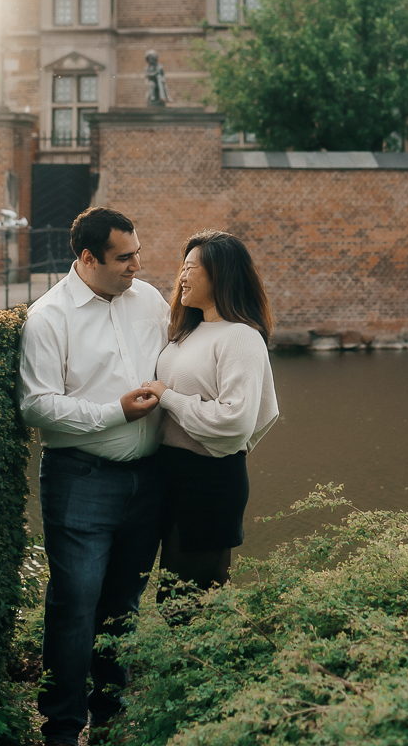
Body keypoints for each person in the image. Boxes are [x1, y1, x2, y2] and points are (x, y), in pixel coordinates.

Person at [18, 207, 168, 746]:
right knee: (75, 603)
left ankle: (112, 716)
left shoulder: (149, 299)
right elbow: (36, 405)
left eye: (137, 252)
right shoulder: (49, 316)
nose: (137, 265)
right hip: (80, 479)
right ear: (88, 258)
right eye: (124, 257)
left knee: (123, 604)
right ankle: (61, 726)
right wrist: (114, 413)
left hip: (148, 481)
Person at [141, 229, 279, 596]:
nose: (182, 277)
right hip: (167, 474)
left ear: (220, 275)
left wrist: (168, 397)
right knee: (173, 594)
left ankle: (204, 656)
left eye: (191, 268)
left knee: (186, 602)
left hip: (208, 481)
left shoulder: (240, 337)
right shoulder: (189, 330)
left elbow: (236, 421)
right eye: (182, 268)